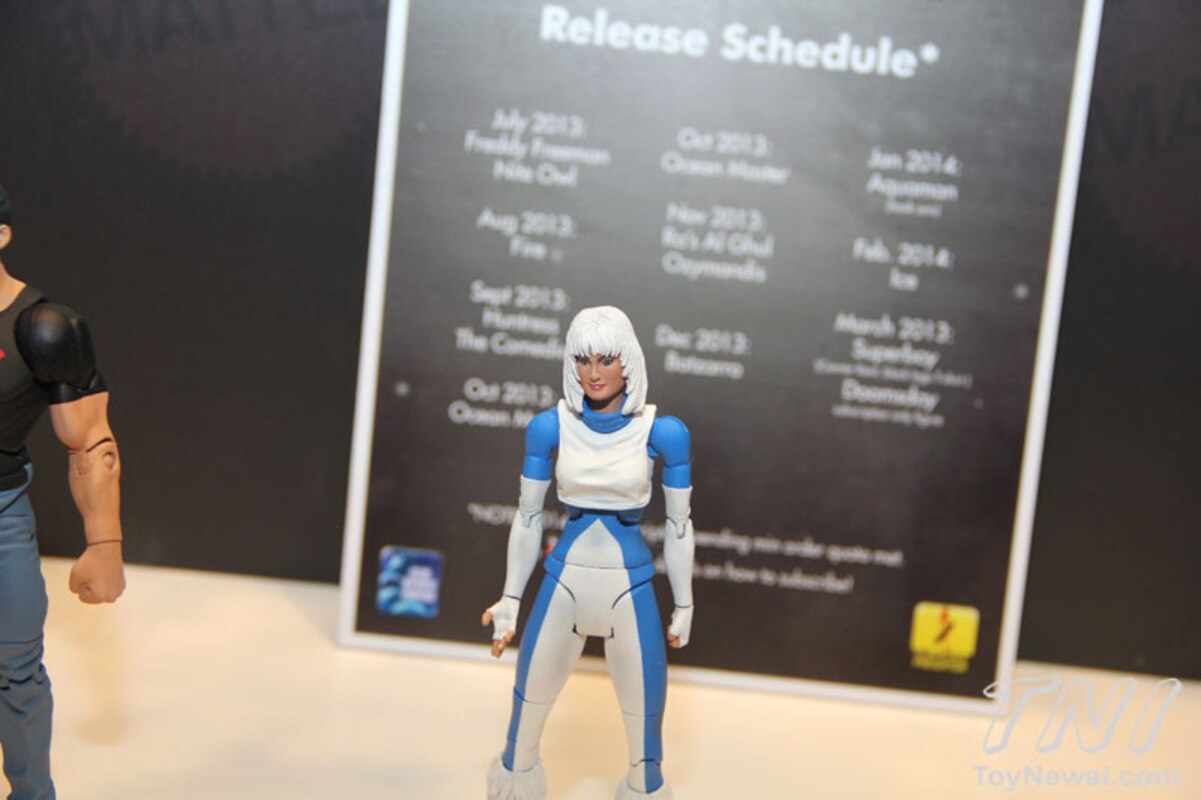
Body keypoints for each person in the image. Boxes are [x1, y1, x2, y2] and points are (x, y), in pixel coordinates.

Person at [483, 306, 695, 799]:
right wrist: (511, 598)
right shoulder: (549, 427)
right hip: (564, 584)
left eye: (606, 359)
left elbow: (679, 525)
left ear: (629, 361)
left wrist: (684, 603)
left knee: (645, 757)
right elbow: (528, 517)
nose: (594, 373)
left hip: (629, 588)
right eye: (583, 360)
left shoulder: (663, 433)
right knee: (521, 737)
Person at [0, 184, 125, 800]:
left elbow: (90, 441)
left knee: (17, 671)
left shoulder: (42, 328)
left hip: (0, 515)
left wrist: (105, 543)